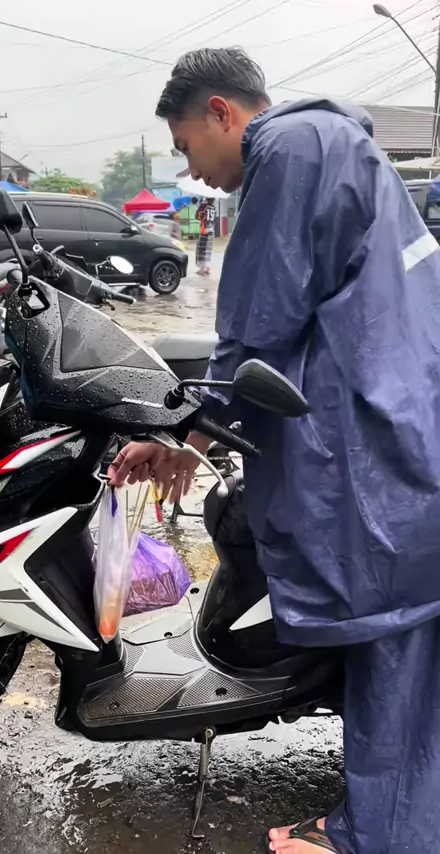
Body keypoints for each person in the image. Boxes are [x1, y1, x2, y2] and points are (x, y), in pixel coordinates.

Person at [108, 47, 440, 854]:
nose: (194, 173)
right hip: (404, 413)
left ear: (221, 113)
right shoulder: (340, 143)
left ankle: (377, 836)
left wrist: (190, 431)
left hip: (373, 439)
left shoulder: (289, 149)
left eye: (187, 147)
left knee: (387, 631)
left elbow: (260, 319)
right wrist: (197, 429)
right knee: (410, 638)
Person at [195, 196, 216, 275]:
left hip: (204, 231)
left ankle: (202, 268)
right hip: (211, 231)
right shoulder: (214, 208)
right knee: (208, 250)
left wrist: (200, 206)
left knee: (201, 250)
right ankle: (208, 268)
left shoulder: (203, 206)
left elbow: (197, 216)